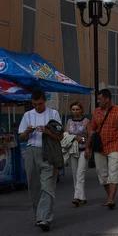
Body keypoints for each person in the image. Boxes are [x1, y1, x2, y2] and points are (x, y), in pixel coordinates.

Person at [18, 90, 63, 232]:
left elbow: (60, 135)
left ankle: (45, 218)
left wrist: (47, 131)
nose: (37, 106)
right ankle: (39, 215)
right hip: (32, 152)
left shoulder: (53, 114)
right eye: (34, 104)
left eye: (40, 104)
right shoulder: (27, 115)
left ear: (45, 101)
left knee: (47, 185)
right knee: (34, 186)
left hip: (48, 152)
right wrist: (27, 132)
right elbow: (21, 137)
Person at [85, 89, 118, 210]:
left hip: (115, 145)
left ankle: (111, 199)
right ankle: (110, 197)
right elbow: (91, 130)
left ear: (107, 99)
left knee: (113, 172)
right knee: (102, 175)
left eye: (100, 99)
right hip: (99, 147)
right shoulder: (96, 112)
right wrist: (87, 148)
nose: (98, 101)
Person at [66, 101, 89, 207]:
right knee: (75, 174)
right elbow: (66, 136)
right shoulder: (69, 122)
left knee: (80, 173)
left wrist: (88, 148)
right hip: (72, 150)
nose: (75, 111)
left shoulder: (86, 121)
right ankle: (82, 197)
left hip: (84, 149)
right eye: (73, 109)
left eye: (77, 109)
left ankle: (76, 196)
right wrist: (74, 137)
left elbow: (90, 136)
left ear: (81, 110)